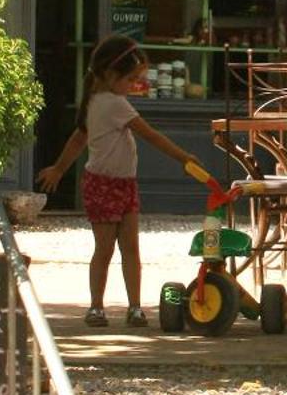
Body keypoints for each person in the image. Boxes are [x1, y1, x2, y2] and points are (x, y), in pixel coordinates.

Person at [37, 34, 214, 329]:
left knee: (116, 248)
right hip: (106, 185)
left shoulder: (94, 100)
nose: (135, 85)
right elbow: (150, 135)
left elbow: (78, 138)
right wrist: (183, 157)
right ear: (110, 75)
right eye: (131, 78)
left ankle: (114, 307)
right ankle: (115, 307)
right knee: (117, 249)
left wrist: (59, 168)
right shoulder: (114, 104)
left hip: (120, 184)